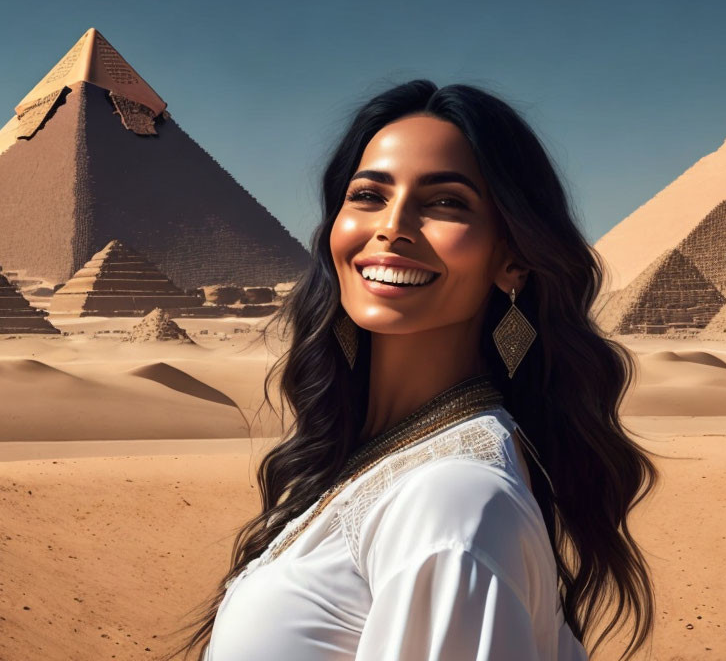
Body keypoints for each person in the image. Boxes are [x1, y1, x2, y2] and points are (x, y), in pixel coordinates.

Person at [164, 80, 660, 660]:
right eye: (368, 195)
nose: (392, 226)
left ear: (514, 259)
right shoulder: (377, 461)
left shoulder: (454, 503)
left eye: (446, 203)